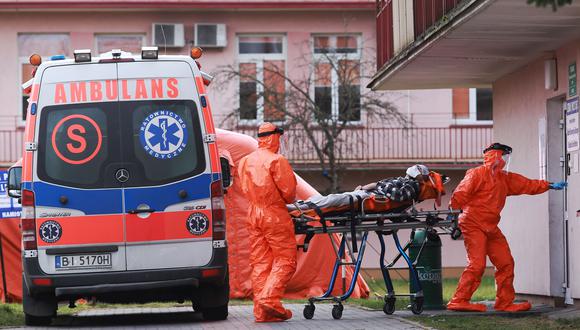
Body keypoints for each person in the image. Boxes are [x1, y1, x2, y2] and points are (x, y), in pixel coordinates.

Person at [447, 143, 567, 312]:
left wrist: (548, 185)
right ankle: (459, 300)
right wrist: (453, 217)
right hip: (472, 223)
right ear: (496, 156)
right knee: (477, 264)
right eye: (504, 156)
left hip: (490, 226)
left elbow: (526, 184)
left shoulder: (504, 178)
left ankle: (504, 302)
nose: (506, 160)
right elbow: (460, 194)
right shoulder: (477, 174)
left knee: (506, 263)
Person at [238, 122, 298, 322]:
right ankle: (269, 299)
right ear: (274, 137)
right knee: (286, 260)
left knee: (260, 263)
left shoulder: (245, 161)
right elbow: (289, 194)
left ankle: (262, 312)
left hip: (253, 213)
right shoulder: (276, 161)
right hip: (274, 215)